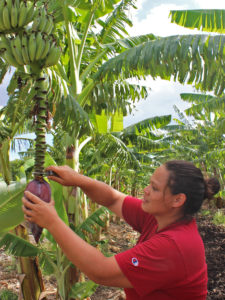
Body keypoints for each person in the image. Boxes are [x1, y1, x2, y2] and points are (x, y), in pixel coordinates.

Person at [22, 160, 220, 300]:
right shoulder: (162, 216)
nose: (146, 190)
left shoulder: (174, 246)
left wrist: (53, 222)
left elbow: (101, 271)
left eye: (155, 188)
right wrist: (78, 179)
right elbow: (113, 198)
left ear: (178, 200)